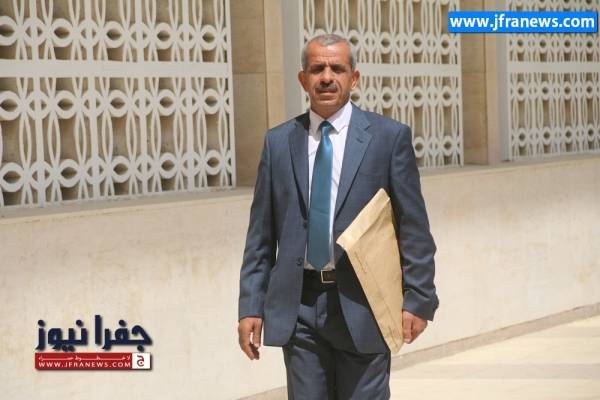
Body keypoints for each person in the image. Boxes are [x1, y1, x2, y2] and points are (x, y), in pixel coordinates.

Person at [238, 33, 439, 399]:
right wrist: (250, 305)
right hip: (299, 307)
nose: (327, 77)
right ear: (303, 79)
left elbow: (413, 229)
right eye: (317, 69)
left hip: (364, 303)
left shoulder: (388, 138)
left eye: (337, 69)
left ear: (354, 78)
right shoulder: (279, 142)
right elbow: (260, 236)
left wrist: (418, 298)